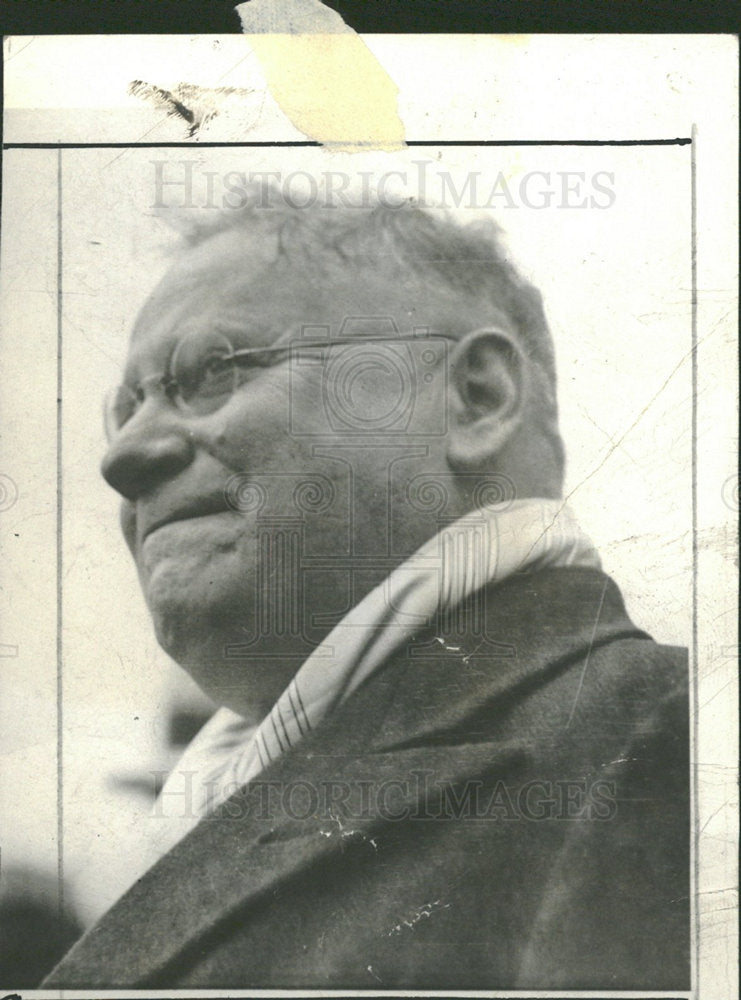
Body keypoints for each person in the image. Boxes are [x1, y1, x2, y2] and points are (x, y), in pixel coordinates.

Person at [44, 189, 689, 990]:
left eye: (211, 371)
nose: (124, 457)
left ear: (474, 399)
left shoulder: (674, 738)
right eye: (123, 408)